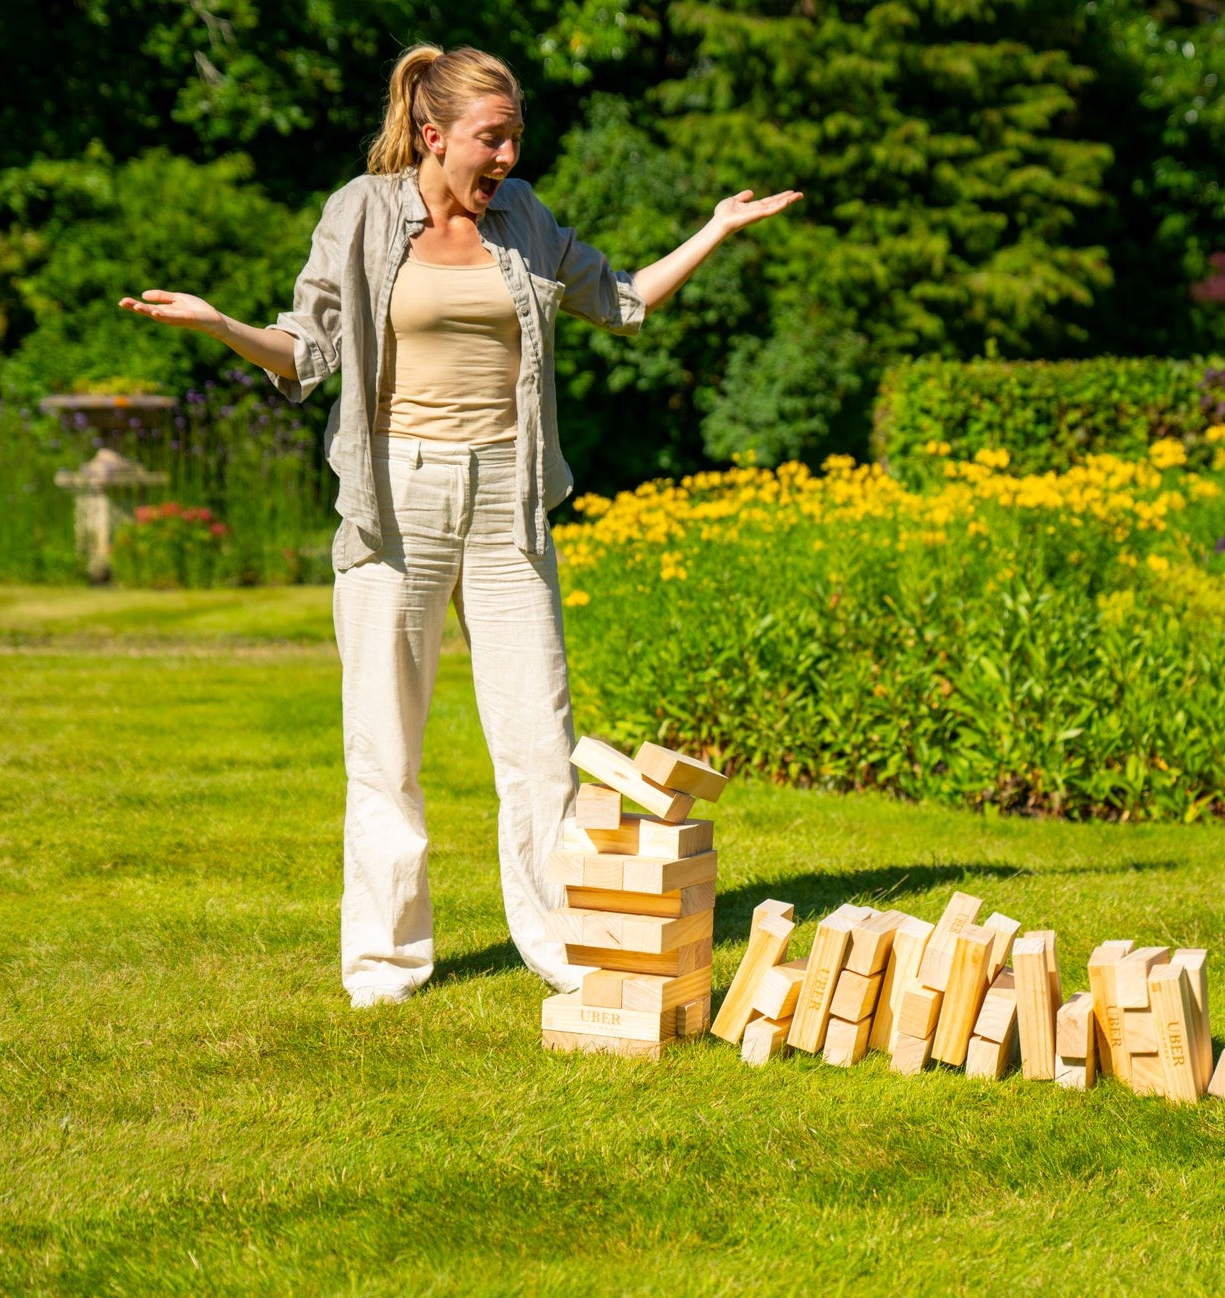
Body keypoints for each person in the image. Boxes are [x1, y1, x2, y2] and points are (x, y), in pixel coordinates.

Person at [120, 44, 801, 1007]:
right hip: (396, 501)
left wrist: (716, 229)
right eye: (492, 138)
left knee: (537, 738)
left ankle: (563, 947)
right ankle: (387, 963)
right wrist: (222, 324)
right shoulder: (360, 213)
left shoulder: (522, 220)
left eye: (515, 136)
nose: (508, 157)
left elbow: (625, 300)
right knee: (385, 745)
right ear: (435, 136)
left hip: (508, 503)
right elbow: (306, 349)